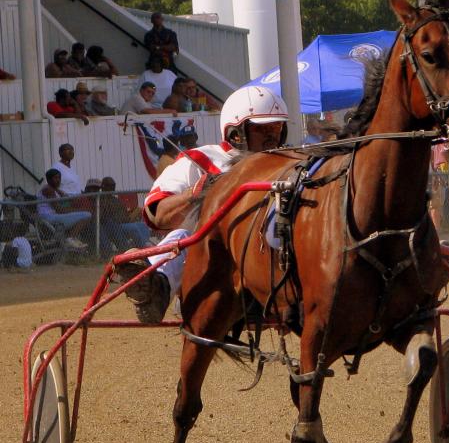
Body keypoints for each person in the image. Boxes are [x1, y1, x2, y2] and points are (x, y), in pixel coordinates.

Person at [117, 85, 289, 323]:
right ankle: (156, 288)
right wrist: (194, 194)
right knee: (187, 234)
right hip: (213, 272)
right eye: (263, 129)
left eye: (277, 127)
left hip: (273, 261)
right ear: (236, 133)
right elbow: (156, 214)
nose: (273, 136)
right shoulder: (201, 160)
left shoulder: (292, 163)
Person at [36, 169, 90, 250]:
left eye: (59, 178)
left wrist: (61, 193)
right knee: (87, 215)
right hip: (48, 218)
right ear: (49, 179)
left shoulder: (53, 189)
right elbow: (59, 210)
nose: (58, 180)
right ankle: (70, 239)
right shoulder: (48, 189)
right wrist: (78, 210)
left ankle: (71, 239)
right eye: (55, 178)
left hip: (53, 216)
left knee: (83, 214)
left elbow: (66, 198)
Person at [99, 177, 151, 251]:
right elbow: (105, 217)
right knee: (134, 228)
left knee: (143, 225)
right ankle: (143, 249)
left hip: (125, 222)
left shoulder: (115, 199)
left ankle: (142, 245)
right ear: (103, 186)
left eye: (113, 185)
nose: (112, 188)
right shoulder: (101, 199)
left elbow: (124, 212)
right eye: (110, 185)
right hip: (116, 226)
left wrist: (128, 216)